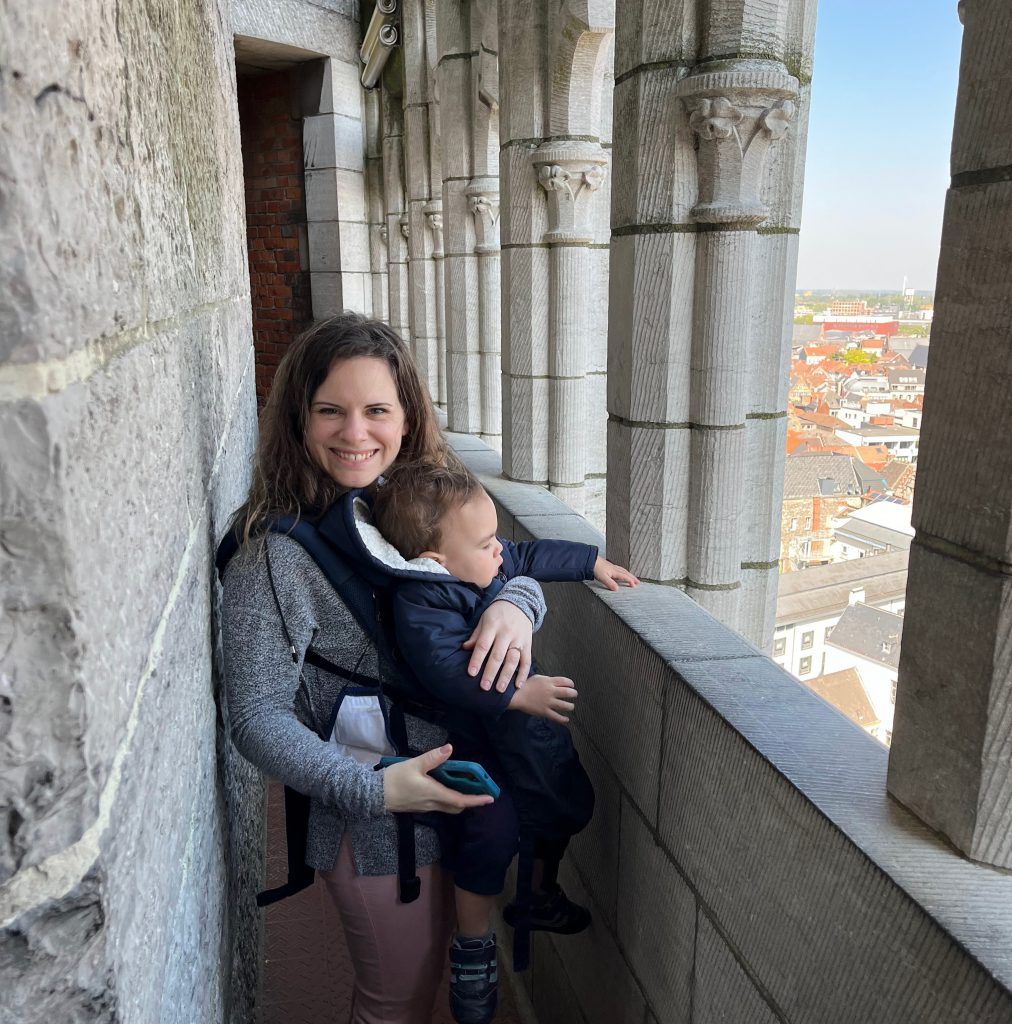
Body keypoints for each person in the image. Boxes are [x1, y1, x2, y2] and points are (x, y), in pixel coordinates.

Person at [219, 313, 556, 1024]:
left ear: (407, 419)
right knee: (394, 1002)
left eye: (377, 410)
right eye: (330, 411)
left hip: (460, 793)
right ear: (297, 420)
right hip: (377, 824)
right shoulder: (273, 554)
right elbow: (254, 715)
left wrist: (517, 608)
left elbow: (501, 566)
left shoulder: (412, 510)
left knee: (431, 981)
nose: (355, 433)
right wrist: (375, 789)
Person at [363, 459, 639, 1022]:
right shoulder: (419, 600)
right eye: (487, 543)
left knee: (560, 803)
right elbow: (446, 672)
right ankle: (474, 946)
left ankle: (537, 895)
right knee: (495, 824)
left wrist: (592, 562)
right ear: (436, 561)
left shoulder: (474, 561)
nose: (499, 552)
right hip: (458, 739)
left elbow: (528, 557)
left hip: (502, 734)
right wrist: (520, 696)